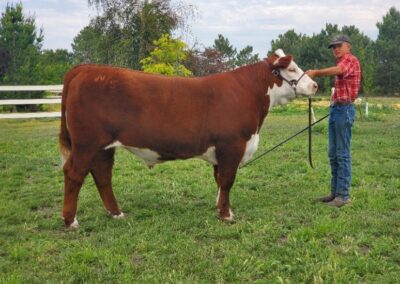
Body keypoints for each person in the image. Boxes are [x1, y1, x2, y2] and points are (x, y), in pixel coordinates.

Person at [306, 34, 361, 207]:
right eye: (333, 47)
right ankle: (335, 193)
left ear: (348, 46)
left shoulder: (350, 60)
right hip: (337, 109)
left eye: (339, 45)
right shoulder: (341, 61)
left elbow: (339, 71)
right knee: (333, 153)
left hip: (344, 110)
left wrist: (315, 72)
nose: (336, 49)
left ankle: (343, 196)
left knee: (342, 154)